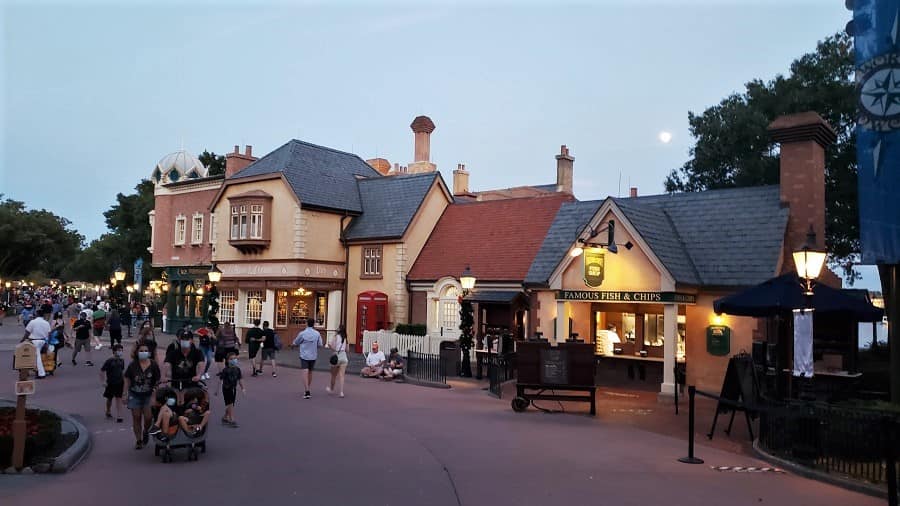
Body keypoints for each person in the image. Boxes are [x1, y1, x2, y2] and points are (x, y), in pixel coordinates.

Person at [123, 342, 161, 449]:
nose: (143, 353)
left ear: (149, 353)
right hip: (135, 394)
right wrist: (124, 393)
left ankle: (146, 431)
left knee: (148, 417)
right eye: (141, 351)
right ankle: (138, 440)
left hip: (149, 395)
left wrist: (154, 395)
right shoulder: (133, 365)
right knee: (136, 417)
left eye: (145, 351)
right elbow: (127, 378)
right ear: (137, 353)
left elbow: (157, 380)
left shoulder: (153, 365)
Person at [164, 331, 205, 402]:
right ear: (179, 341)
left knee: (193, 404)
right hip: (176, 383)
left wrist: (199, 375)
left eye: (187, 339)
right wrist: (163, 376)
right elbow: (166, 364)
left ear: (192, 340)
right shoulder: (173, 353)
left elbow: (201, 364)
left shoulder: (197, 352)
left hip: (191, 383)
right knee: (172, 402)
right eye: (183, 339)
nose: (184, 341)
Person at [290, 318, 322, 399]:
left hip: (304, 355)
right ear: (313, 324)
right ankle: (307, 389)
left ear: (307, 323)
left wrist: (293, 345)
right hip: (313, 355)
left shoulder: (302, 333)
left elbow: (296, 342)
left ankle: (307, 391)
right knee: (310, 372)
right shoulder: (317, 333)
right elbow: (320, 344)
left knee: (305, 372)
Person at [215, 351, 244, 427]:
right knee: (230, 404)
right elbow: (220, 380)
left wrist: (243, 388)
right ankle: (232, 419)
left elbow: (240, 379)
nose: (234, 360)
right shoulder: (225, 370)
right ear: (228, 360)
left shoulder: (238, 369)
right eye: (231, 359)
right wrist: (217, 390)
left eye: (235, 358)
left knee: (231, 405)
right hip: (226, 389)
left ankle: (225, 417)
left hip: (233, 389)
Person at [100, 343, 126, 422]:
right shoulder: (109, 361)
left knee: (119, 399)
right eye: (118, 350)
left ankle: (119, 416)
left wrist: (124, 380)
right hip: (111, 382)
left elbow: (122, 371)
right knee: (109, 398)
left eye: (121, 350)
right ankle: (108, 410)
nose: (120, 352)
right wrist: (103, 381)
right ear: (114, 351)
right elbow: (102, 371)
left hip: (119, 382)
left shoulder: (122, 361)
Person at [22, 308, 50, 378]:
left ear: (36, 314)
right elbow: (48, 334)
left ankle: (41, 373)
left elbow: (27, 333)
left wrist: (22, 340)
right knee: (38, 356)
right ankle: (37, 370)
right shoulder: (46, 323)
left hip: (34, 341)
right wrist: (47, 343)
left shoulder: (32, 322)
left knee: (37, 357)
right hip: (43, 341)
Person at [325, 325, 348, 397]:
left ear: (339, 329)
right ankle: (341, 392)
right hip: (344, 356)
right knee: (342, 376)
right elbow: (347, 350)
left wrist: (329, 346)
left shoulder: (336, 336)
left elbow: (333, 347)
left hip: (336, 356)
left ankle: (331, 389)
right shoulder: (345, 338)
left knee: (333, 375)